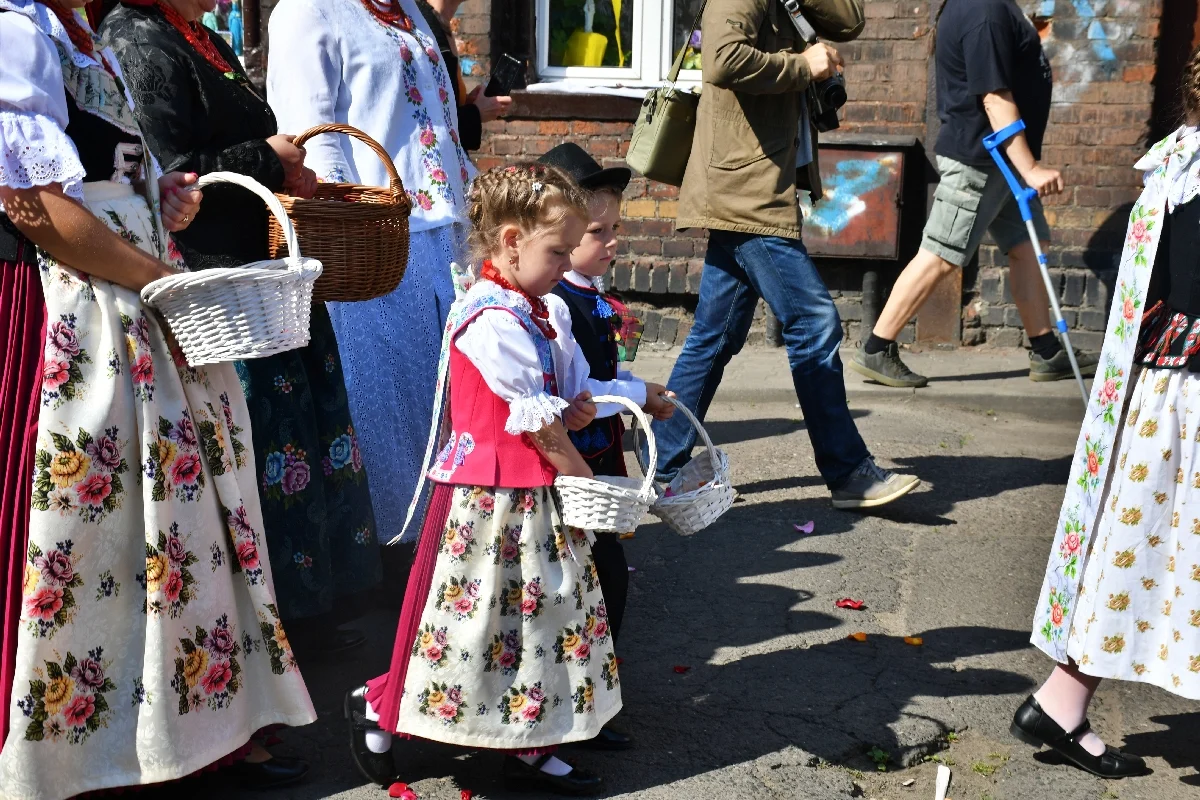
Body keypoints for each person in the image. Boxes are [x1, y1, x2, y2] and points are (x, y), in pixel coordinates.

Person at [0, 1, 315, 796]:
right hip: (85, 307)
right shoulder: (12, 33)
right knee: (98, 528)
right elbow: (38, 209)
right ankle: (95, 750)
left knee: (183, 522)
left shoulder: (76, 36)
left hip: (135, 291)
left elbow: (100, 174)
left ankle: (194, 729)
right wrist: (161, 281)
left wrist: (160, 195)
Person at [345, 163, 660, 795]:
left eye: (569, 251)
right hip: (484, 500)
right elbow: (539, 427)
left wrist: (589, 404)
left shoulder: (544, 310)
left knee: (541, 620)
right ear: (512, 241)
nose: (566, 264)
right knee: (469, 626)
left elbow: (562, 397)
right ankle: (378, 706)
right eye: (557, 252)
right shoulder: (490, 317)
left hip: (534, 495)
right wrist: (582, 477)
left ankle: (529, 739)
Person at [101, 0, 383, 656]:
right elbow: (170, 171)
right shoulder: (136, 37)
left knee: (296, 443)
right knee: (253, 448)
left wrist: (286, 170)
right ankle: (269, 626)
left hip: (263, 274)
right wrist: (267, 157)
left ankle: (309, 611)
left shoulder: (200, 35)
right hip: (218, 289)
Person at [1012, 46, 1200, 781]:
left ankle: (1060, 701)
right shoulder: (1184, 171)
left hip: (1166, 391)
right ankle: (1060, 700)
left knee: (1142, 544)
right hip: (1184, 393)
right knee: (1146, 547)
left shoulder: (1177, 161)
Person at [654, 0, 918, 510]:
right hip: (743, 192)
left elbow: (849, 20)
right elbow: (722, 59)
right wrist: (803, 65)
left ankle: (665, 466)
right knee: (814, 322)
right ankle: (849, 472)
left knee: (715, 335)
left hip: (757, 184)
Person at [267, 0, 475, 549]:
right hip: (371, 242)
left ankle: (451, 541)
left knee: (446, 397)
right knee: (387, 403)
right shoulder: (309, 11)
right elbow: (313, 138)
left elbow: (440, 124)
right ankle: (392, 549)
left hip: (443, 233)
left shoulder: (405, 7)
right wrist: (348, 220)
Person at [849, 0, 1099, 388]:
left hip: (1001, 163)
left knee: (1028, 245)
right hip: (981, 162)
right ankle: (876, 349)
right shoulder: (983, 10)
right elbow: (993, 98)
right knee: (941, 253)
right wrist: (1031, 169)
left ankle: (1047, 351)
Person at [540, 142, 675, 753]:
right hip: (573, 460)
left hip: (597, 453)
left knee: (602, 577)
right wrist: (637, 393)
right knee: (593, 578)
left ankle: (591, 697)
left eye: (613, 229)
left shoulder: (589, 294)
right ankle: (580, 700)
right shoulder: (558, 302)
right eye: (598, 233)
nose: (612, 243)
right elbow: (577, 389)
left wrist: (638, 391)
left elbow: (600, 375)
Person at [415, 0, 511, 152]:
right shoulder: (423, 27)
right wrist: (477, 112)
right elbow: (427, 125)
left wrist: (466, 102)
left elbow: (439, 101)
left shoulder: (438, 24)